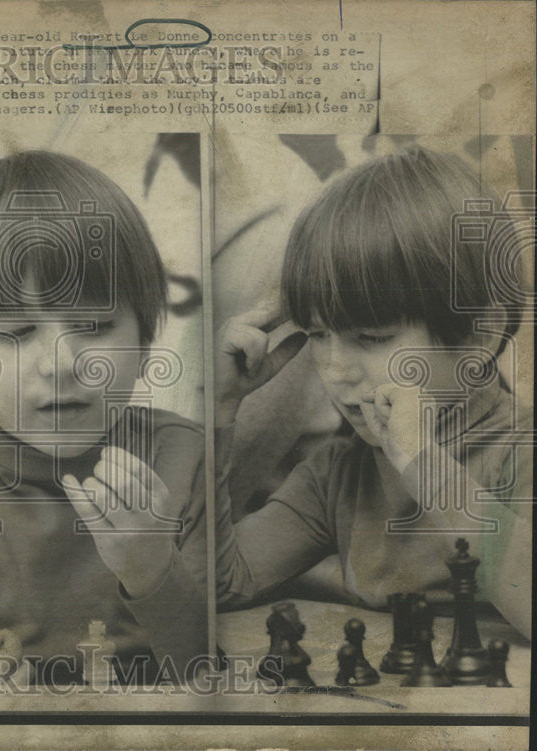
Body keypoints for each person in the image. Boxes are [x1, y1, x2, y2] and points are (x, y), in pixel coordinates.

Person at [0, 150, 209, 683]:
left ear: (144, 335)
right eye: (17, 334)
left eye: (93, 325)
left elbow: (209, 674)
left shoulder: (183, 459)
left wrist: (153, 570)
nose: (63, 365)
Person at [215, 146, 532, 638]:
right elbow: (219, 584)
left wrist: (423, 464)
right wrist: (220, 409)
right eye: (318, 334)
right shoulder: (339, 475)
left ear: (477, 339)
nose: (336, 371)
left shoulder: (521, 451)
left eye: (372, 337)